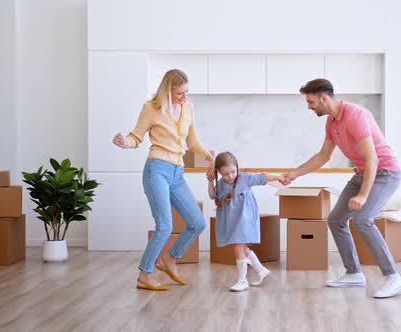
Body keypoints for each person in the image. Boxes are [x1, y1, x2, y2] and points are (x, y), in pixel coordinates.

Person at [282, 78, 401, 298]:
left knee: (362, 219)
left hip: (384, 172)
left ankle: (393, 277)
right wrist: (295, 173)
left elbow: (372, 160)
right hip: (361, 173)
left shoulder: (356, 116)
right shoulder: (331, 122)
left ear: (324, 98)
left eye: (310, 102)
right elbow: (323, 156)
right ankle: (353, 273)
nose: (309, 107)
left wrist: (363, 195)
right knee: (336, 219)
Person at [112, 69, 214, 291]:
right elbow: (136, 136)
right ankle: (144, 275)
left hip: (177, 173)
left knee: (197, 222)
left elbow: (193, 140)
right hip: (156, 169)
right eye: (180, 93)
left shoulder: (188, 108)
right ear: (167, 91)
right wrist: (124, 142)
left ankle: (169, 258)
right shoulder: (152, 108)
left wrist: (210, 157)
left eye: (186, 92)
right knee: (164, 225)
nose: (184, 97)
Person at [209, 151, 285, 292]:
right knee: (243, 248)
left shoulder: (244, 178)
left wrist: (279, 177)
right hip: (233, 219)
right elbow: (212, 195)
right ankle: (261, 270)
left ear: (237, 167)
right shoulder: (220, 183)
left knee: (238, 247)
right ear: (219, 172)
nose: (230, 176)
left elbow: (262, 178)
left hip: (245, 218)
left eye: (233, 171)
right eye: (225, 174)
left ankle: (242, 281)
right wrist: (209, 181)